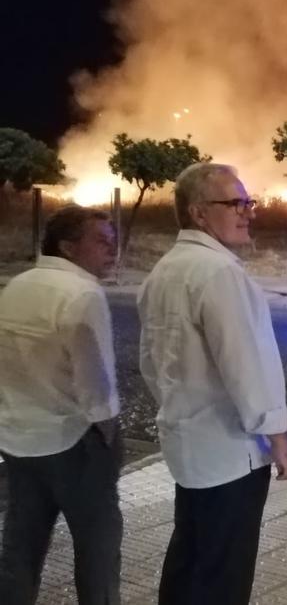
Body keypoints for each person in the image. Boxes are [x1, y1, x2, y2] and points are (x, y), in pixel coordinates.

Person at [138, 162, 287, 605]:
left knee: (189, 559)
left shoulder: (164, 271)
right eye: (235, 203)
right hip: (231, 453)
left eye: (249, 202)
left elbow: (151, 363)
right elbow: (247, 363)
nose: (248, 212)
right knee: (223, 575)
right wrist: (278, 436)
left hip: (188, 446)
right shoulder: (220, 274)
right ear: (198, 213)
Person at [0, 205, 122, 605]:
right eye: (101, 240)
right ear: (68, 247)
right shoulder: (83, 294)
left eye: (113, 240)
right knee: (97, 551)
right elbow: (96, 385)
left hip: (19, 439)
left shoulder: (17, 285)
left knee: (21, 546)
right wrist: (107, 437)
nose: (112, 248)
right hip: (75, 443)